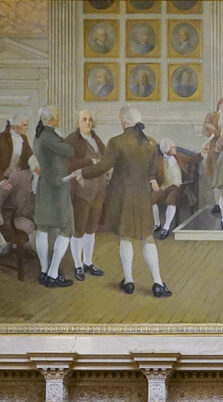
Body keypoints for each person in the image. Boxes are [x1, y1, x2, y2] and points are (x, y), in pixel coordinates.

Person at [81, 105, 172, 297]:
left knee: (125, 237)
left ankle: (129, 281)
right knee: (148, 238)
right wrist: (152, 180)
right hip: (142, 197)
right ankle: (157, 283)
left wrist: (82, 172)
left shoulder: (116, 142)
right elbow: (155, 174)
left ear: (124, 122)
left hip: (121, 196)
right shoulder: (150, 143)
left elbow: (102, 167)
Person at [30, 107, 81, 288]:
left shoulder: (38, 135)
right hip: (57, 188)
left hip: (45, 185)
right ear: (51, 119)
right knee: (67, 228)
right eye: (57, 115)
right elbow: (69, 151)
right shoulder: (50, 136)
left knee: (43, 228)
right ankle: (52, 274)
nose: (60, 117)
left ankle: (44, 271)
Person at [65, 109, 107, 281]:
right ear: (77, 123)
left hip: (98, 190)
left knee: (91, 228)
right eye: (84, 119)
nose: (88, 123)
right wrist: (90, 162)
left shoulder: (96, 139)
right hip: (81, 191)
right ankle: (78, 265)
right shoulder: (71, 141)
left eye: (90, 119)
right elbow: (68, 164)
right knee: (79, 229)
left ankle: (88, 262)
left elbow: (105, 159)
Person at [151, 139, 186, 239]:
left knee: (171, 198)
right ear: (166, 149)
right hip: (163, 187)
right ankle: (157, 224)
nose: (175, 148)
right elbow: (150, 173)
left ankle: (166, 227)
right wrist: (153, 181)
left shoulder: (178, 156)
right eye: (173, 147)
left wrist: (203, 153)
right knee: (152, 197)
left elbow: (193, 159)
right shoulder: (158, 160)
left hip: (176, 187)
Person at [200, 97, 223, 180]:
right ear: (220, 104)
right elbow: (206, 132)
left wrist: (215, 131)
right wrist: (219, 132)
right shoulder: (211, 116)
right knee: (213, 170)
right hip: (213, 146)